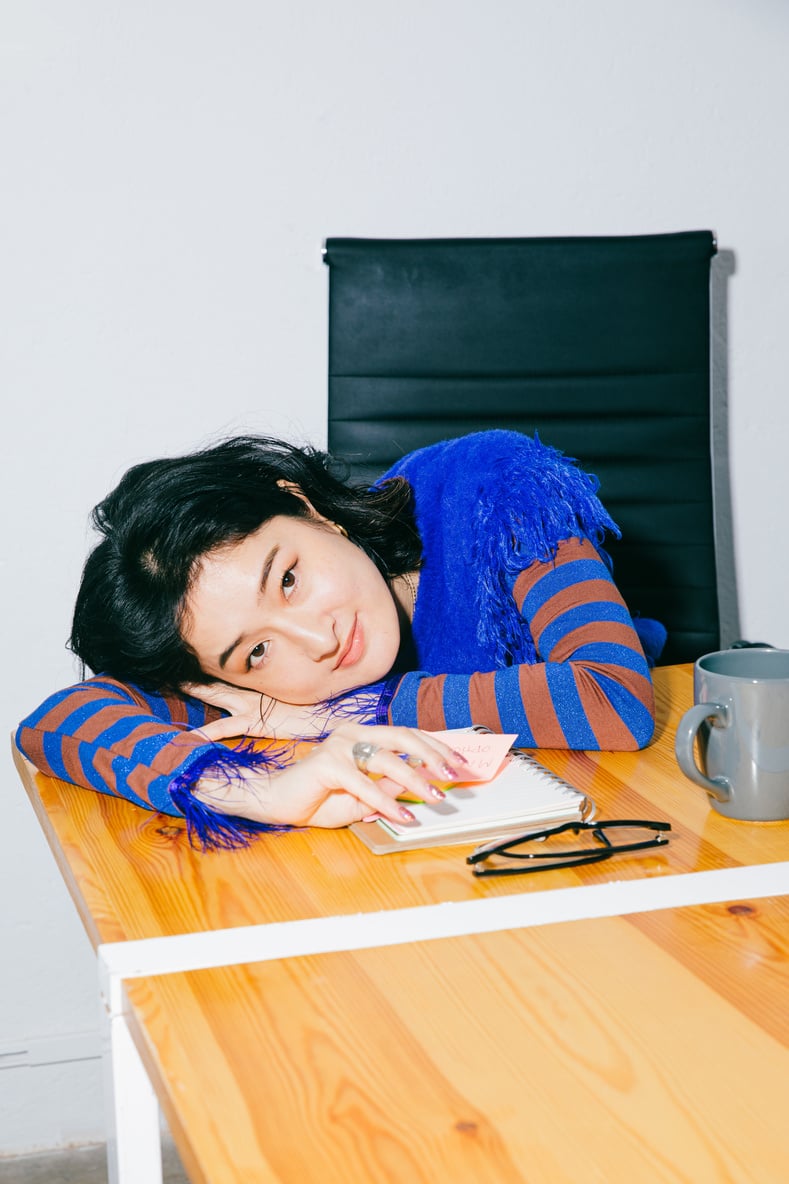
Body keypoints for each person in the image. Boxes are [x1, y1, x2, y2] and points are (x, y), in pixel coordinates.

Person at [17, 430, 662, 847]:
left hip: (649, 814)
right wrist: (255, 791)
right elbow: (52, 726)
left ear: (308, 507)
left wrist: (348, 710)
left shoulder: (492, 492)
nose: (315, 641)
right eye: (257, 652)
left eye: (289, 578)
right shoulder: (255, 682)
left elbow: (613, 697)